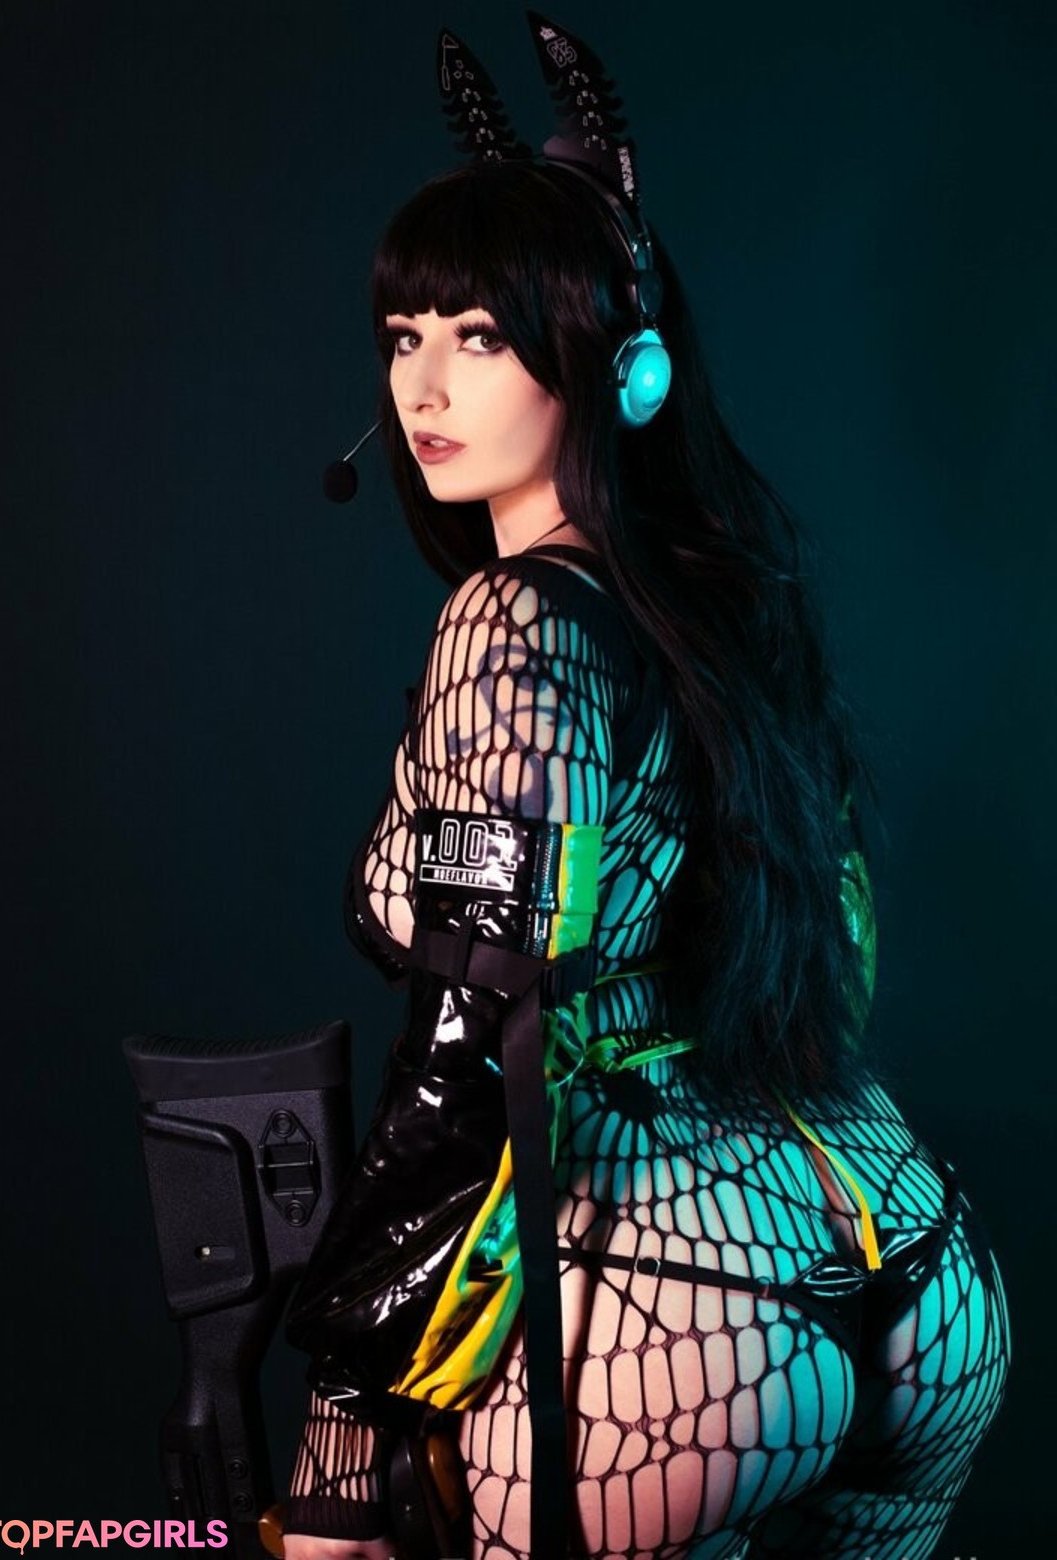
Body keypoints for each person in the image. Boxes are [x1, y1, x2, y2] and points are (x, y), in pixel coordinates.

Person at [276, 21, 1010, 1560]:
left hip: (679, 1311)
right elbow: (825, 957)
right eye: (405, 335)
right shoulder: (727, 602)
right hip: (914, 1258)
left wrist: (350, 1389)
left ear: (615, 364)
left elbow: (474, 1031)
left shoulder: (512, 624)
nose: (425, 384)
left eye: (482, 337)